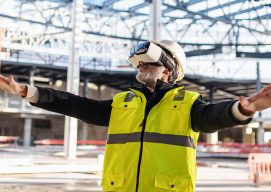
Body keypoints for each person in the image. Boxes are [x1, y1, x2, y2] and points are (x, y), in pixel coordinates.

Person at [0, 40, 271, 192]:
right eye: (138, 63)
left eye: (147, 62)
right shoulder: (123, 102)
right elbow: (75, 104)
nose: (140, 66)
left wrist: (245, 109)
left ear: (167, 69)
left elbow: (214, 116)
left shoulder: (187, 103)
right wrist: (27, 91)